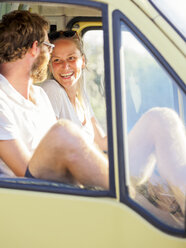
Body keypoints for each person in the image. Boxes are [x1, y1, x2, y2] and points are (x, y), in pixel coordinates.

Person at [0, 10, 108, 189]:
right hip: (34, 198)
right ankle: (125, 194)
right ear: (36, 48)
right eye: (49, 48)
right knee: (64, 131)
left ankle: (129, 193)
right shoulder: (2, 99)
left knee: (159, 120)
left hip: (63, 189)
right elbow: (25, 172)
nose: (50, 56)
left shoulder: (40, 96)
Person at [41, 31, 107, 151]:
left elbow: (101, 142)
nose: (65, 66)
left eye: (71, 58)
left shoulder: (82, 97)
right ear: (50, 65)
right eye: (57, 60)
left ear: (83, 61)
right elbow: (51, 148)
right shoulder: (51, 90)